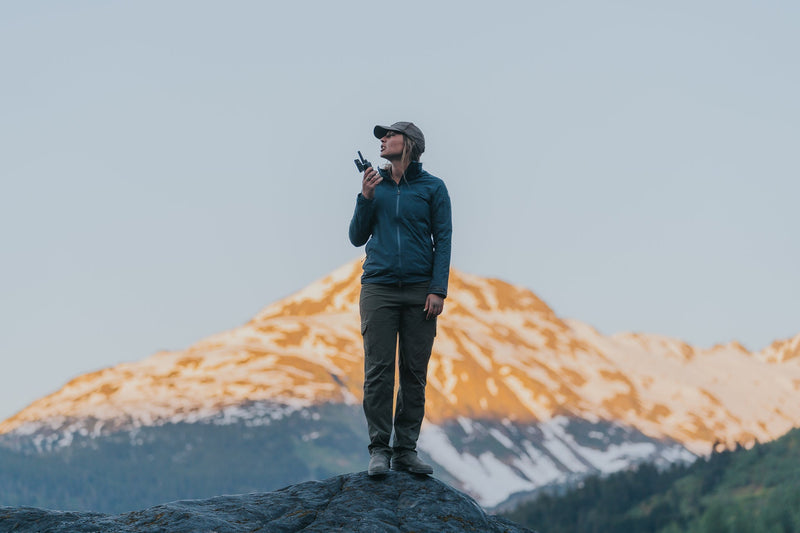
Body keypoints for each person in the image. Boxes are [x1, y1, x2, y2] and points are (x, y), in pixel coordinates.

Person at [348, 121, 452, 476]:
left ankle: (405, 450)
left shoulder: (433, 188)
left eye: (389, 135)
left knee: (413, 372)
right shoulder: (373, 185)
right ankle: (379, 450)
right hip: (378, 288)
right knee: (378, 371)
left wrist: (438, 289)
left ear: (409, 143)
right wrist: (365, 198)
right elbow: (356, 237)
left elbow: (444, 239)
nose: (382, 140)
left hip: (420, 290)